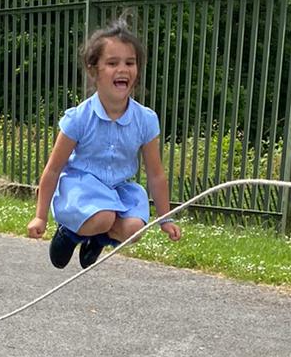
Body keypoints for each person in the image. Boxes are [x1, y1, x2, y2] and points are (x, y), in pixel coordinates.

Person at [26, 19, 182, 269]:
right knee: (103, 215)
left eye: (130, 63)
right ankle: (70, 233)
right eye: (112, 63)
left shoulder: (145, 120)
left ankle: (98, 239)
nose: (123, 69)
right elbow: (53, 169)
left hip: (118, 190)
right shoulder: (79, 118)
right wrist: (40, 216)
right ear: (93, 70)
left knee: (134, 228)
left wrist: (165, 220)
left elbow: (156, 174)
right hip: (81, 188)